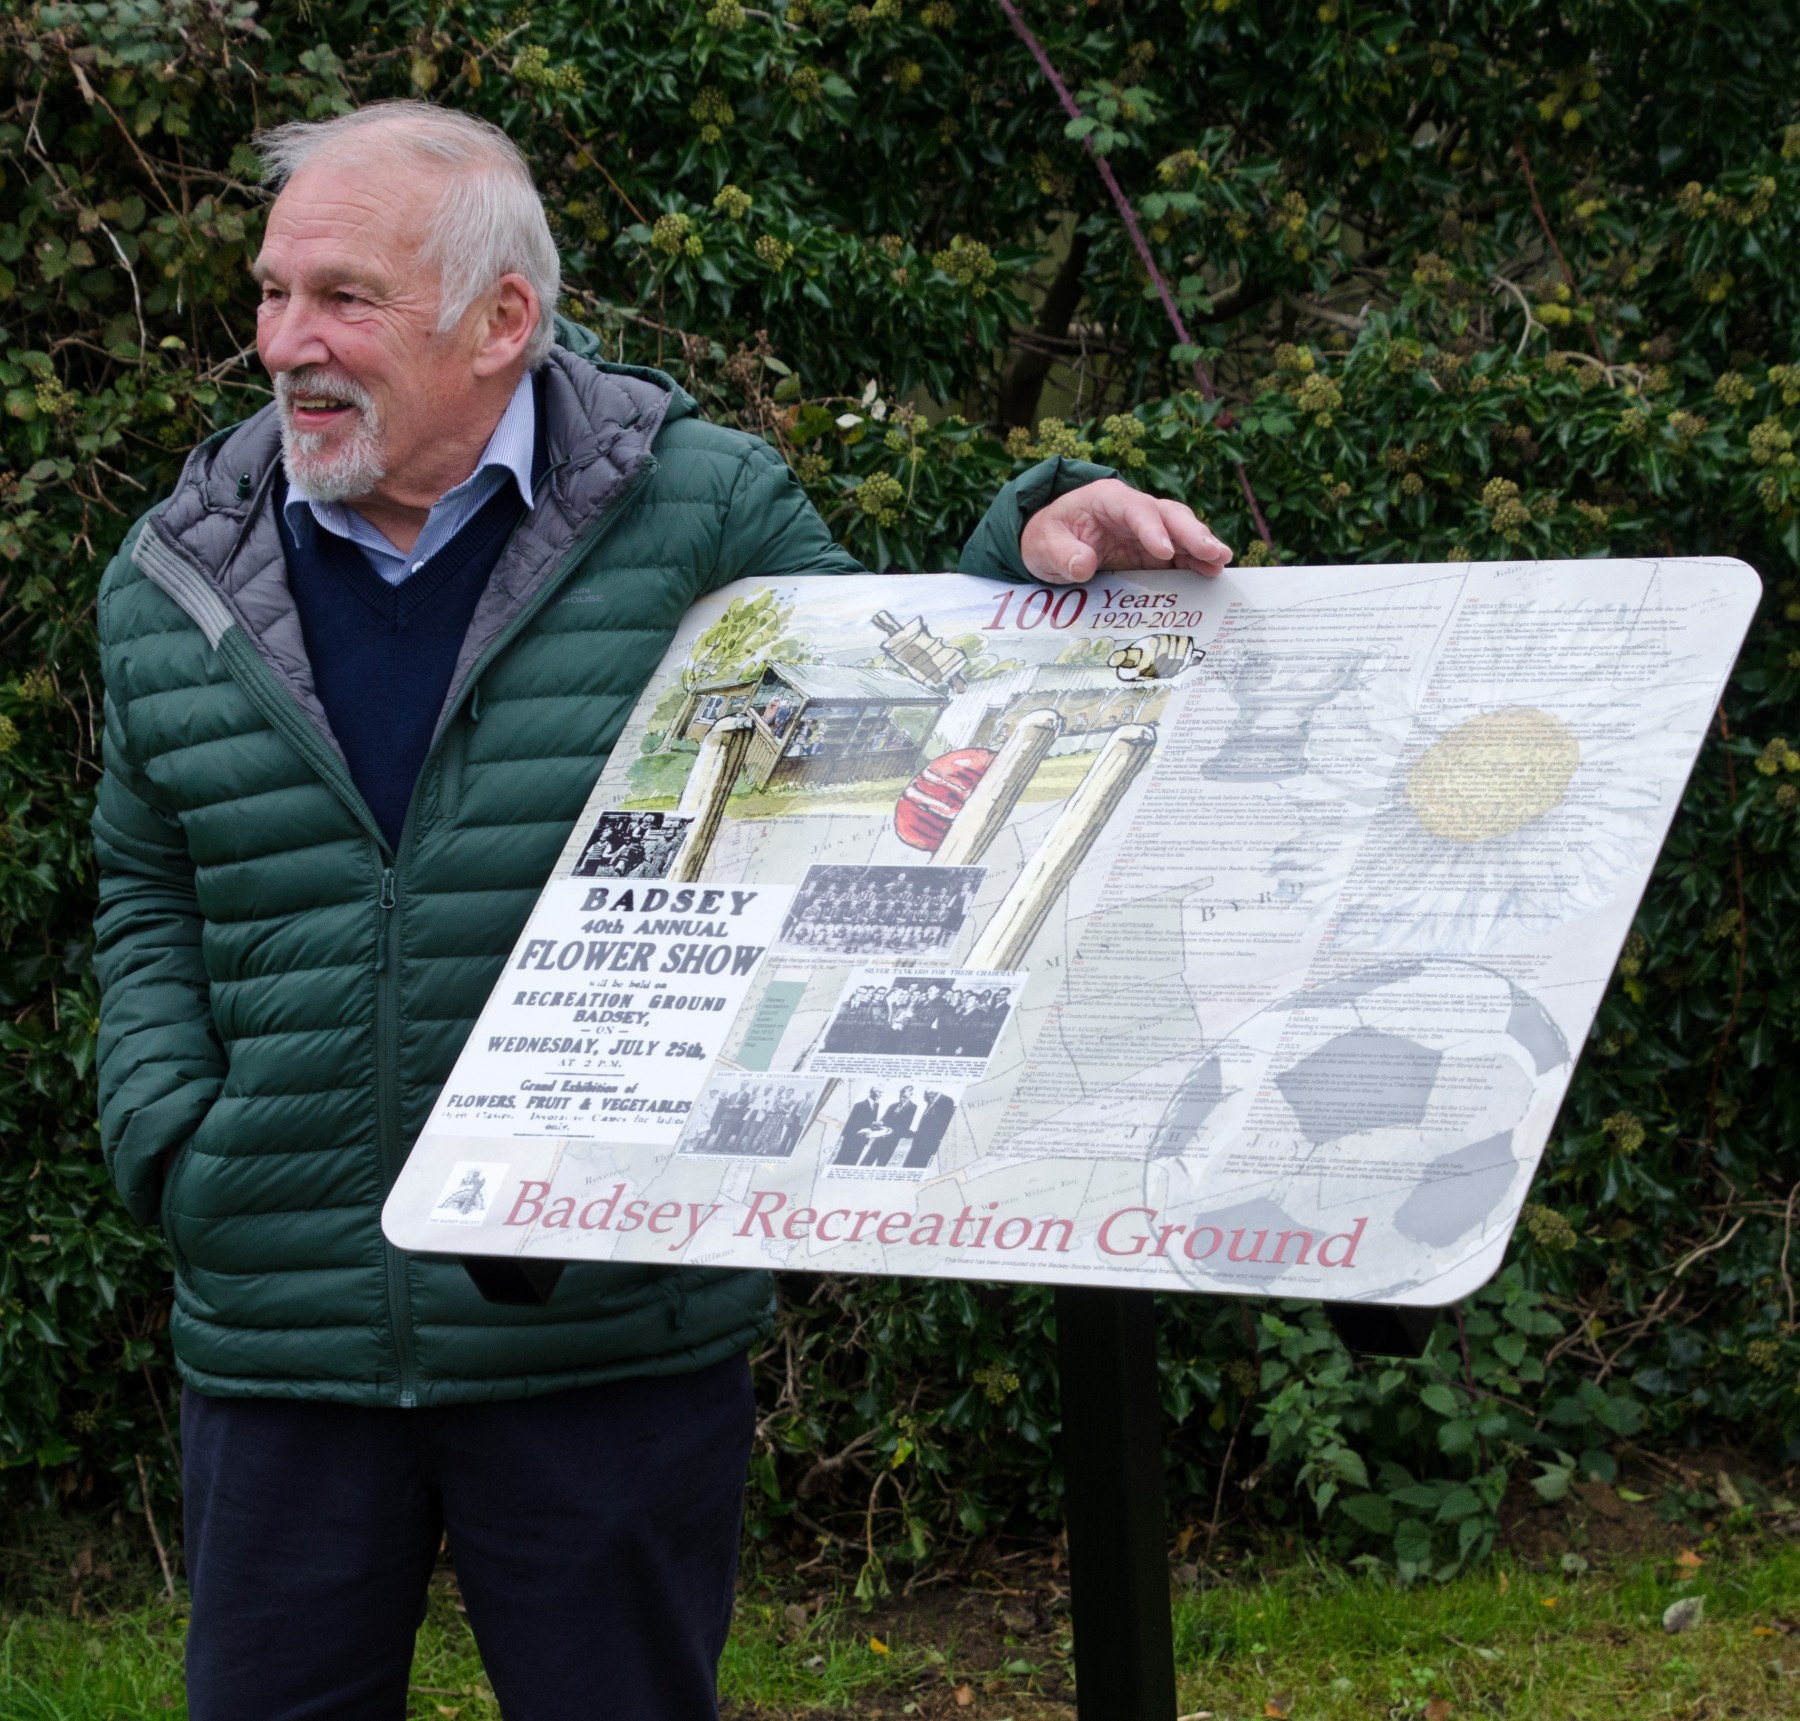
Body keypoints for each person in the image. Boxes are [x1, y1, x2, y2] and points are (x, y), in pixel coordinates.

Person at [91, 100, 1232, 1721]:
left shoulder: (694, 513)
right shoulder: (173, 573)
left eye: (342, 296)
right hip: (285, 1328)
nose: (286, 343)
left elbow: (885, 734)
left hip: (605, 1331)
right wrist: (173, 1135)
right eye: (271, 293)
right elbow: (144, 878)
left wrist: (1026, 542)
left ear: (504, 320)